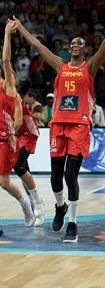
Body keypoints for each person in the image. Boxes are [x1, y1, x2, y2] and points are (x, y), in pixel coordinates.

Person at [13, 0, 105, 242]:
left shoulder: (91, 66)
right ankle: (60, 206)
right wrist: (20, 26)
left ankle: (73, 223)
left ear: (85, 51)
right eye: (72, 43)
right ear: (69, 49)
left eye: (79, 44)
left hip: (79, 126)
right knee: (55, 176)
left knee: (70, 175)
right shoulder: (60, 65)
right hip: (58, 125)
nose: (74, 45)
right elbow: (38, 46)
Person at [0, 20, 35, 228]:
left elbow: (5, 58)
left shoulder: (10, 90)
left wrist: (7, 33)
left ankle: (25, 204)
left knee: (4, 182)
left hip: (6, 139)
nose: (8, 73)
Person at [14, 91, 46, 226]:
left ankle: (38, 204)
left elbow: (18, 121)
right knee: (23, 172)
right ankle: (34, 204)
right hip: (15, 134)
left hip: (27, 133)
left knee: (18, 167)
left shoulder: (13, 95)